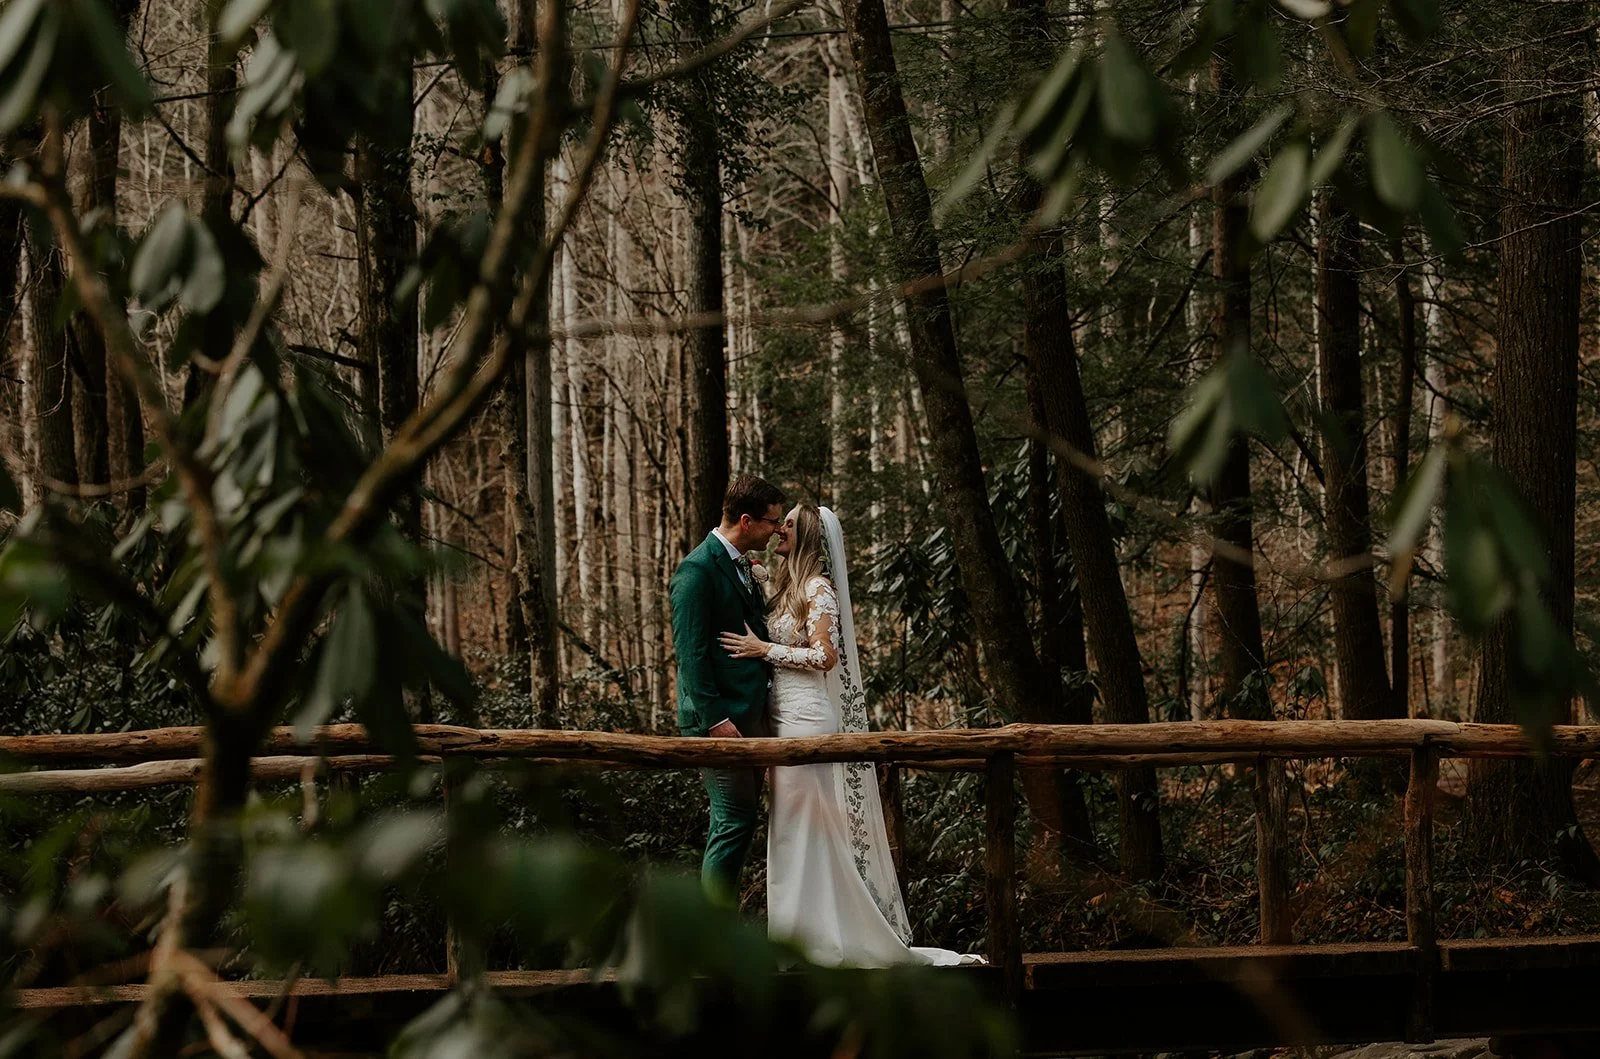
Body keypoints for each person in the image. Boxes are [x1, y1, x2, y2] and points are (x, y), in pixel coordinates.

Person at [720, 503, 983, 967]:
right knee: (790, 830)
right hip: (781, 717)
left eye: (790, 524)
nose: (780, 529)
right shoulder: (784, 587)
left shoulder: (819, 589)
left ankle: (827, 941)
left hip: (808, 719)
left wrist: (765, 649)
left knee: (808, 830)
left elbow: (825, 657)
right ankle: (802, 937)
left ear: (809, 537)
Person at [669, 473, 787, 904]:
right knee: (733, 821)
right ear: (745, 520)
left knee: (741, 821)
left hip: (749, 716)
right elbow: (691, 655)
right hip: (720, 722)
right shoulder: (696, 571)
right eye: (772, 522)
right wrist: (715, 719)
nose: (777, 530)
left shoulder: (743, 566)